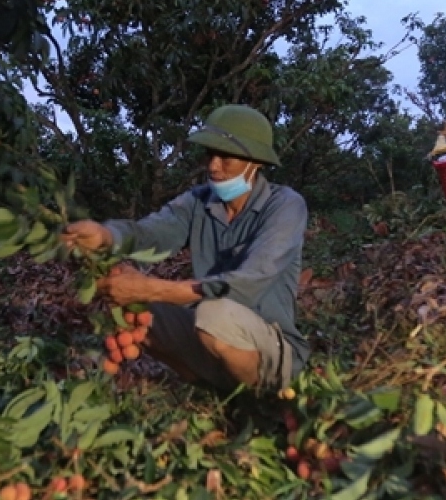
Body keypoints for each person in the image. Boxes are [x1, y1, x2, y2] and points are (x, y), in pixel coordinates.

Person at [61, 104, 309, 393]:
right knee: (133, 305)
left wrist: (150, 288)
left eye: (226, 157)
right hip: (213, 335)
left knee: (213, 314)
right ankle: (209, 388)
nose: (213, 166)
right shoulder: (199, 202)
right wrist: (105, 234)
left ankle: (264, 399)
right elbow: (150, 232)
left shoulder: (285, 206)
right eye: (210, 155)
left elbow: (248, 283)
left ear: (256, 163)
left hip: (272, 351)